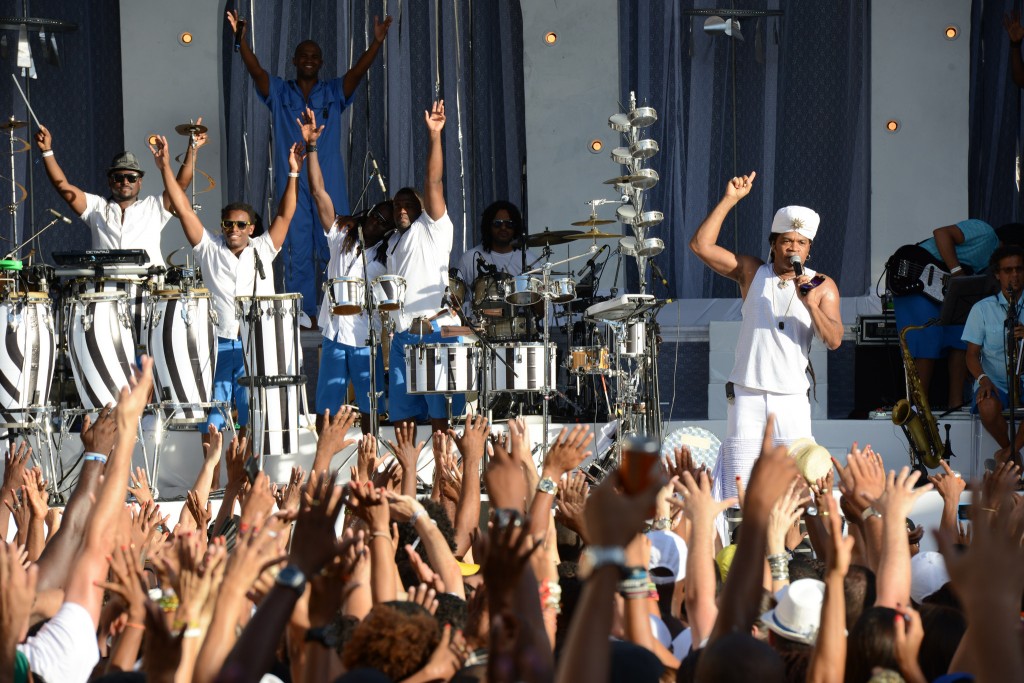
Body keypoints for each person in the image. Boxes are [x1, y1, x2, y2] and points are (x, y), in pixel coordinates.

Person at [226, 10, 392, 324]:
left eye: (314, 56)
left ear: (321, 62)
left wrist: (376, 43)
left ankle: (341, 308)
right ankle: (306, 313)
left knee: (336, 245)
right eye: (303, 55)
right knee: (297, 247)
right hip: (293, 181)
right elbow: (257, 71)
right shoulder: (280, 91)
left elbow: (357, 72)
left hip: (328, 181)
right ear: (294, 60)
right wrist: (242, 42)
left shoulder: (331, 92)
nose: (309, 59)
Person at [688, 171, 842, 503]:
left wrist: (811, 304)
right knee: (741, 485)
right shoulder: (752, 272)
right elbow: (700, 246)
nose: (794, 248)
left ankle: (793, 547)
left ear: (809, 249)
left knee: (798, 482)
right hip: (748, 394)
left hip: (791, 398)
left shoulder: (822, 285)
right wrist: (730, 199)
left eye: (801, 243)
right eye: (787, 241)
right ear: (773, 244)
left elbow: (834, 339)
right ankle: (740, 547)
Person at [148, 133, 299, 443]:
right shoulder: (209, 248)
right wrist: (164, 166)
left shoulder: (263, 248)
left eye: (241, 225)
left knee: (250, 416)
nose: (234, 230)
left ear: (252, 228)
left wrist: (294, 172)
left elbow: (284, 214)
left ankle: (240, 483)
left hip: (253, 344)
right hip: (218, 344)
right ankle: (211, 483)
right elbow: (183, 209)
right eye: (228, 224)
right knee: (214, 419)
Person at [301, 108, 391, 434]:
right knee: (327, 406)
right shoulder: (342, 235)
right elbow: (318, 192)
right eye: (376, 215)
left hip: (366, 336)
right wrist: (311, 148)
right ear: (367, 213)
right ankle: (326, 454)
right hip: (335, 333)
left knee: (371, 406)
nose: (377, 222)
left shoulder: (389, 254)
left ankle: (369, 453)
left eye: (385, 221)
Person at [386, 100, 463, 438]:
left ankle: (446, 481)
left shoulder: (433, 228)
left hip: (437, 331)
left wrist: (434, 136)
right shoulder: (392, 243)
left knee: (440, 419)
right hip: (403, 335)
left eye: (409, 204)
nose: (402, 209)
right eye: (397, 204)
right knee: (402, 417)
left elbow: (433, 181)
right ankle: (408, 479)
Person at [34, 120, 205, 267]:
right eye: (119, 177)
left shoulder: (154, 207)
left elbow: (180, 185)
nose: (125, 182)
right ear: (110, 181)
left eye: (131, 177)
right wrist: (47, 151)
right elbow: (63, 187)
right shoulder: (96, 208)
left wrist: (192, 149)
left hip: (147, 296)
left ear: (140, 182)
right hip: (105, 295)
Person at [890, 219, 998, 409]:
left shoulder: (993, 270)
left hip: (942, 292)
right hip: (916, 275)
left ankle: (954, 404)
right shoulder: (986, 232)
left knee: (962, 336)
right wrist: (957, 273)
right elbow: (941, 233)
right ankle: (919, 410)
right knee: (927, 340)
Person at [962, 245, 1024, 468]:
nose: (1014, 275)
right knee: (986, 406)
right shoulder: (982, 309)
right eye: (1008, 270)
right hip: (996, 381)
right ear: (998, 275)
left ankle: (1008, 455)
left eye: (1019, 269)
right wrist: (983, 379)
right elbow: (971, 355)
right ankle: (1013, 453)